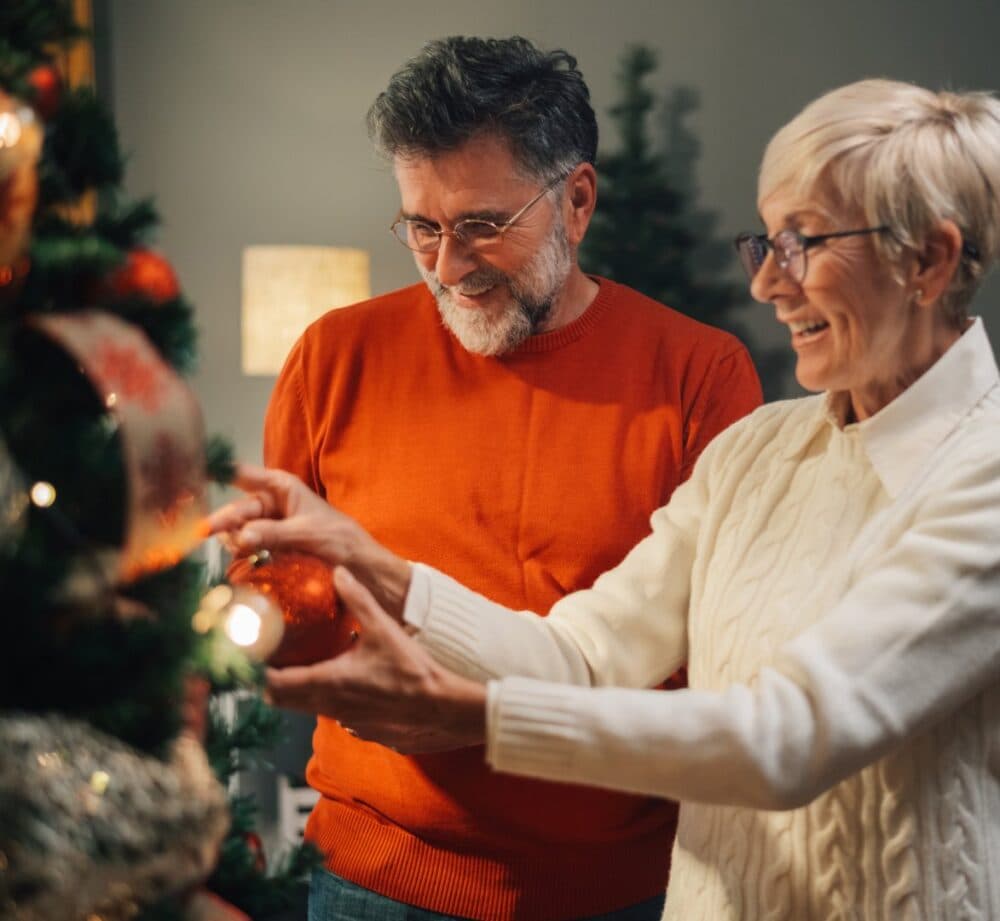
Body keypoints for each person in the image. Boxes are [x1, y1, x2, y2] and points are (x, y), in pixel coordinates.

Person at [212, 77, 1000, 920]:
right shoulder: (759, 453)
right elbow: (585, 653)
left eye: (805, 244)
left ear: (930, 260)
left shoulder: (981, 479)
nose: (769, 285)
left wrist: (475, 713)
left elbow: (786, 737)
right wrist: (379, 568)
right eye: (765, 244)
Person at [249, 35, 762, 921]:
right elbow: (273, 583)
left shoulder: (701, 376)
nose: (449, 266)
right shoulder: (334, 356)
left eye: (483, 225)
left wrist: (484, 715)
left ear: (576, 201)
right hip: (368, 879)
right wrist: (306, 639)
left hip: (616, 893)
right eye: (422, 227)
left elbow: (725, 665)